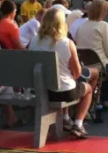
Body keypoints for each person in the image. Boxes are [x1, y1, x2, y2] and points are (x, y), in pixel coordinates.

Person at [29, 8, 95, 138]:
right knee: (87, 89)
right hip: (63, 92)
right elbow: (76, 74)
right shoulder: (66, 43)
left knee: (66, 81)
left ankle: (65, 117)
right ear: (61, 23)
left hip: (41, 90)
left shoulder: (34, 41)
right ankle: (78, 123)